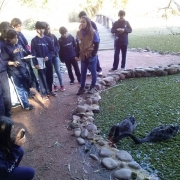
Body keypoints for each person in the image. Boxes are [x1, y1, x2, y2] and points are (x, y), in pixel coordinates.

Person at [4, 29, 34, 110]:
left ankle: (27, 100)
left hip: (23, 68)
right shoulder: (5, 47)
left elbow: (23, 55)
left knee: (25, 85)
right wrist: (12, 55)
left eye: (16, 37)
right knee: (19, 88)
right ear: (10, 38)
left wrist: (28, 56)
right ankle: (26, 105)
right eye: (14, 38)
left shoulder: (18, 45)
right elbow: (4, 60)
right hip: (14, 72)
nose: (16, 39)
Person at [11, 18, 40, 95]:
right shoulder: (12, 35)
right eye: (18, 26)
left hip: (26, 56)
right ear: (13, 26)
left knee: (31, 72)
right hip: (19, 58)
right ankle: (28, 91)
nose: (20, 28)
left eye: (20, 26)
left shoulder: (20, 34)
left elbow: (25, 43)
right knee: (25, 74)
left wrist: (28, 51)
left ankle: (37, 86)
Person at [31, 21, 56, 100]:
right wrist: (35, 63)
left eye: (43, 28)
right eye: (39, 28)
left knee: (49, 76)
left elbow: (52, 50)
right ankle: (44, 93)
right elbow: (33, 53)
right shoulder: (34, 40)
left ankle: (49, 90)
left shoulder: (48, 39)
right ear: (37, 29)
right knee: (42, 77)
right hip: (39, 61)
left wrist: (48, 56)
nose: (41, 30)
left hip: (48, 61)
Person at [76, 16, 99, 95]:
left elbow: (96, 43)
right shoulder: (78, 33)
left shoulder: (93, 32)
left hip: (91, 55)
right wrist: (77, 54)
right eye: (81, 22)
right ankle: (82, 87)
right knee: (83, 72)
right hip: (83, 56)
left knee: (93, 72)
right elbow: (77, 44)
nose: (82, 23)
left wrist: (94, 53)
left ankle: (92, 87)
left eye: (84, 22)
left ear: (87, 23)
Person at [78, 11, 102, 76]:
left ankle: (99, 69)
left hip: (92, 43)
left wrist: (96, 46)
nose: (82, 22)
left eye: (83, 20)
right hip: (85, 44)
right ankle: (89, 70)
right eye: (81, 20)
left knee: (94, 56)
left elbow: (96, 33)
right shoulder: (81, 25)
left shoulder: (92, 23)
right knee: (86, 57)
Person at [44, 23, 65, 92]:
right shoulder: (43, 38)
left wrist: (55, 51)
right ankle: (54, 85)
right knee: (51, 72)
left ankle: (62, 85)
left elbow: (57, 46)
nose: (47, 30)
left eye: (48, 28)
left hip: (55, 56)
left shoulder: (53, 36)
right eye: (46, 29)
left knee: (58, 71)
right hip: (48, 58)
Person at [0, 22, 12, 117]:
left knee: (6, 93)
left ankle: (7, 112)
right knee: (4, 93)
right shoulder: (1, 43)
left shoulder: (6, 41)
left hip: (4, 69)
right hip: (2, 70)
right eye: (8, 28)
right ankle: (5, 114)